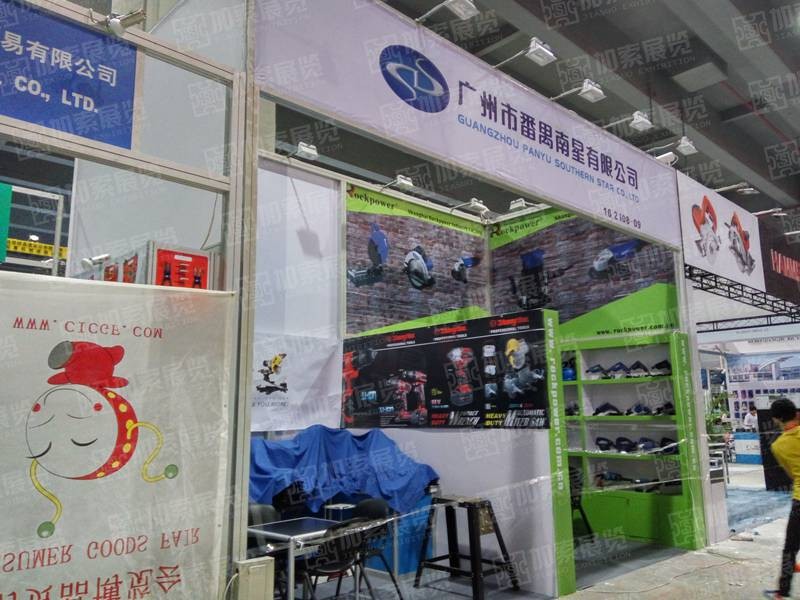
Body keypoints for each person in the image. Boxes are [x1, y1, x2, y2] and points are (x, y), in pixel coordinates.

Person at [764, 397, 800, 599]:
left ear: (776, 419)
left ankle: (782, 591)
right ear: (797, 413)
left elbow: (791, 473)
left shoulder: (778, 446)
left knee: (790, 548)